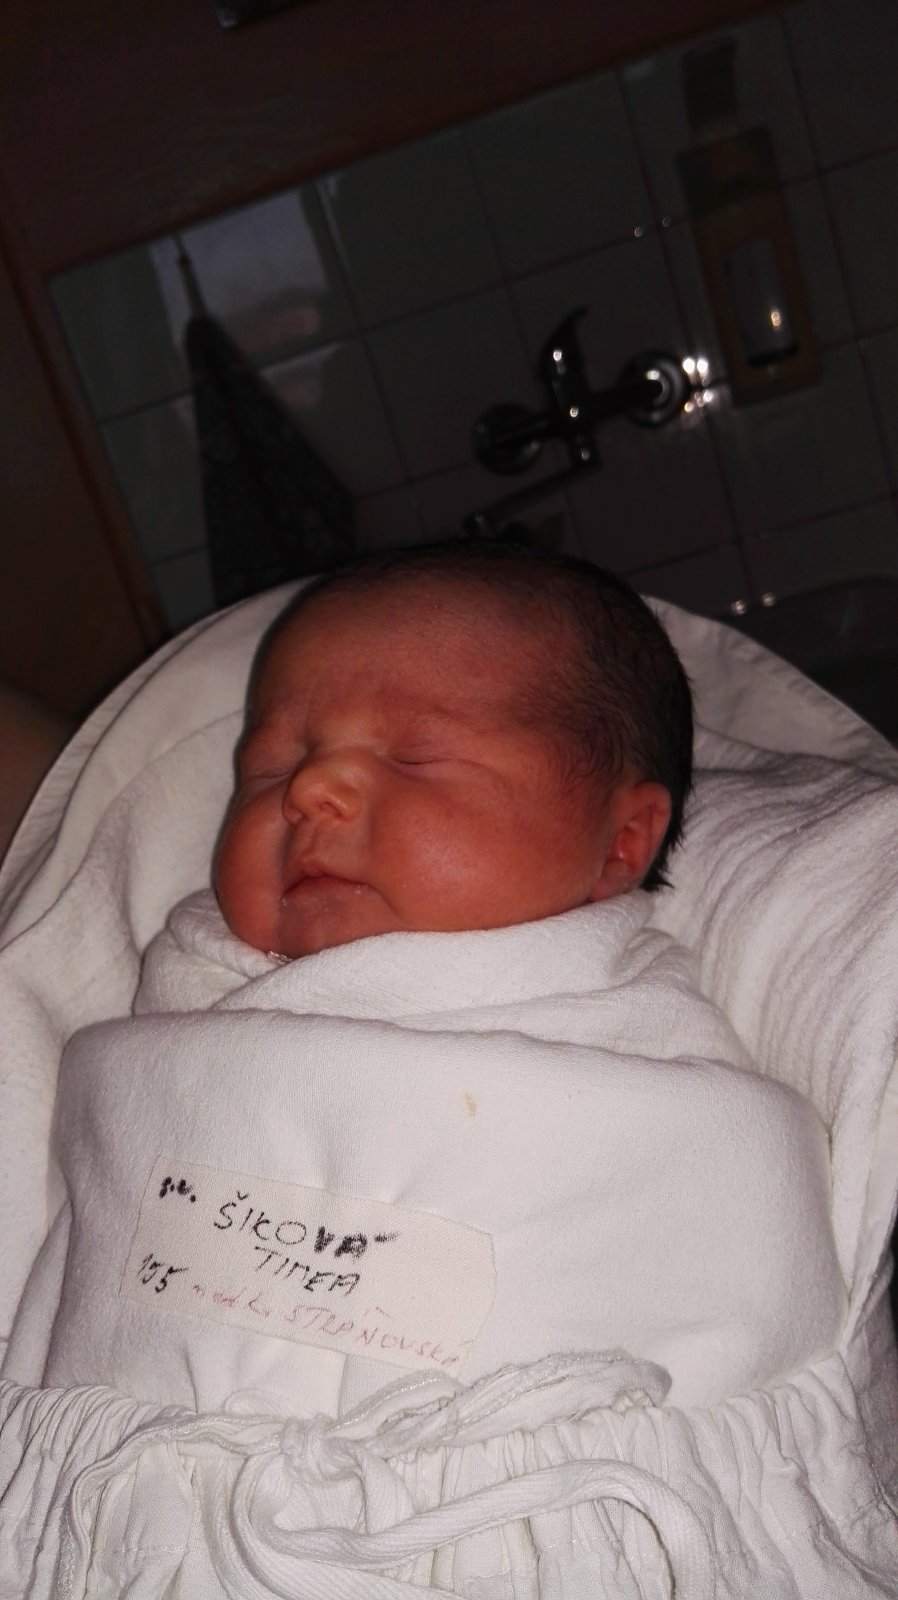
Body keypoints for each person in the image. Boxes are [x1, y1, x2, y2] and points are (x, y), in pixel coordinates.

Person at [1, 540, 846, 1597]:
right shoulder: (188, 998)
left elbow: (720, 1224)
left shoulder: (638, 1042)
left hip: (529, 1521)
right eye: (269, 764)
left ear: (621, 841)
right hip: (136, 1515)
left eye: (416, 756)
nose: (311, 790)